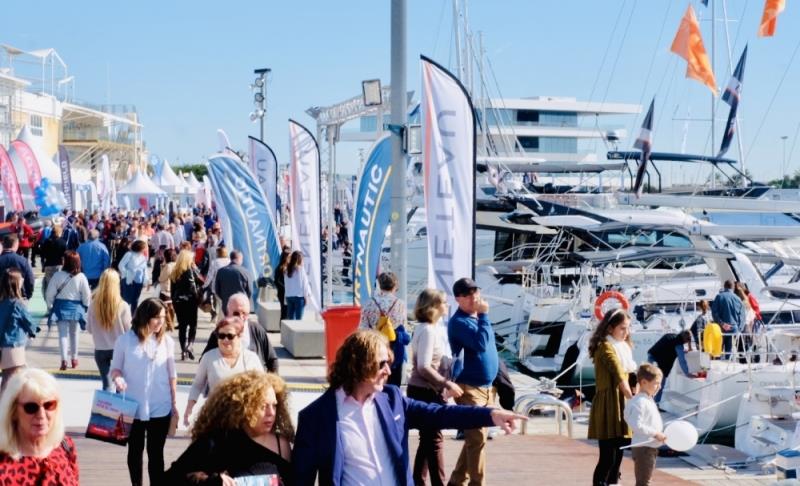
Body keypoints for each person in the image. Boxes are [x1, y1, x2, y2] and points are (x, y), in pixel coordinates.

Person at [292, 330, 526, 485]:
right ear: (358, 364)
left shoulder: (392, 399)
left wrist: (491, 414)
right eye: (381, 364)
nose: (388, 370)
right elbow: (300, 481)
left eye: (389, 363)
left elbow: (441, 415)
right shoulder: (316, 417)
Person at [168, 371, 294, 485]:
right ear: (243, 407)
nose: (271, 413)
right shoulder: (217, 441)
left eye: (274, 405)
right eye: (262, 406)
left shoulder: (281, 444)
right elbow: (171, 478)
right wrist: (210, 481)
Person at [110, 298, 178, 486]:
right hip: (133, 406)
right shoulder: (124, 341)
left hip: (160, 406)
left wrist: (174, 404)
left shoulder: (167, 342)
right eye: (157, 317)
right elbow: (115, 369)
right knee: (135, 451)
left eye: (163, 318)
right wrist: (118, 378)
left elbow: (172, 375)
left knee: (156, 454)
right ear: (145, 316)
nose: (160, 322)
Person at [447, 277, 498, 486]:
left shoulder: (477, 319)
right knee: (477, 439)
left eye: (475, 291)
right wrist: (485, 314)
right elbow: (481, 343)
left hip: (486, 388)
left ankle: (457, 481)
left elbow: (491, 348)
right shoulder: (459, 322)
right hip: (469, 388)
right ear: (458, 299)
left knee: (475, 440)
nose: (473, 297)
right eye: (468, 294)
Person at [408, 289, 463, 486]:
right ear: (434, 306)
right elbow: (423, 366)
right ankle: (437, 482)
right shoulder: (429, 330)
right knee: (434, 440)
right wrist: (445, 382)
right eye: (444, 303)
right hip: (426, 391)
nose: (447, 306)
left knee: (428, 439)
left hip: (425, 389)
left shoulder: (426, 328)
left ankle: (418, 481)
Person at [0, 368, 79, 485]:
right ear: (13, 412)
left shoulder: (65, 446)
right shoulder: (3, 464)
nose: (41, 415)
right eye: (31, 407)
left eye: (49, 405)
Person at [183, 317, 264, 426]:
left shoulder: (251, 358)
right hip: (215, 417)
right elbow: (197, 384)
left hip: (245, 419)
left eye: (230, 336)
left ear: (240, 336)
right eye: (221, 336)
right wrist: (189, 408)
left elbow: (263, 387)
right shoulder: (208, 357)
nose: (225, 340)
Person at [587, 309, 634, 486]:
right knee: (607, 457)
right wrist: (634, 399)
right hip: (609, 404)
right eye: (622, 328)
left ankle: (614, 482)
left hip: (620, 402)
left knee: (619, 454)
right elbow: (619, 374)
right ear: (610, 328)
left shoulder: (623, 348)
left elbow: (630, 374)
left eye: (628, 328)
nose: (626, 332)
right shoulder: (605, 347)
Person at [202, 292, 279, 373]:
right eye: (236, 313)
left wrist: (273, 382)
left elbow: (272, 360)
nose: (240, 317)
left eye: (244, 313)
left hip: (256, 382)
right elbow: (204, 361)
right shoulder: (219, 333)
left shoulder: (257, 330)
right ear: (228, 312)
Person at [359, 272, 410, 386]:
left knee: (375, 383)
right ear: (395, 285)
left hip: (375, 348)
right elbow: (403, 328)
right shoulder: (400, 304)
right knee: (393, 387)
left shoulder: (369, 303)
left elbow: (362, 329)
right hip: (394, 349)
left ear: (379, 284)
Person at [85, 269, 132, 391]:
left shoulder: (93, 305)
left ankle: (106, 409)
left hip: (100, 349)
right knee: (120, 384)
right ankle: (119, 409)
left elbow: (89, 329)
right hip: (120, 349)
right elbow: (129, 331)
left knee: (106, 385)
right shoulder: (123, 306)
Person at [45, 251, 91, 371]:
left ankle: (64, 360)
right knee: (75, 334)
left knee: (62, 335)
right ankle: (74, 359)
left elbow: (49, 293)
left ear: (65, 261)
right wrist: (85, 306)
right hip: (76, 308)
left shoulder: (57, 276)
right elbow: (87, 295)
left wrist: (50, 306)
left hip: (61, 306)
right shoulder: (81, 277)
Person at [623, 364, 666, 486]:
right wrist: (655, 433)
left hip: (649, 447)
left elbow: (628, 415)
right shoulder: (640, 402)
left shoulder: (646, 399)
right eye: (656, 383)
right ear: (644, 382)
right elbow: (636, 424)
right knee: (643, 482)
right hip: (644, 448)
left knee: (645, 480)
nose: (659, 387)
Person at [0, 269, 37, 393]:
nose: (23, 280)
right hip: (13, 345)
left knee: (9, 376)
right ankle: (5, 407)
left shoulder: (2, 302)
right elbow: (29, 322)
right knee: (12, 377)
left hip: (3, 345)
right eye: (21, 279)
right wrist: (33, 331)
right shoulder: (17, 304)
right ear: (15, 283)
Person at [171, 249, 203, 361]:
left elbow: (172, 290)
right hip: (190, 301)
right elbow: (199, 283)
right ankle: (190, 345)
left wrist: (174, 302)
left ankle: (183, 350)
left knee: (182, 326)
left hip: (178, 301)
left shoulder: (175, 271)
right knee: (193, 325)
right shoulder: (190, 270)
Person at [647, 331, 693, 403]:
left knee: (649, 383)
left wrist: (683, 350)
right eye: (688, 340)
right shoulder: (678, 344)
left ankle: (649, 403)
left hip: (652, 356)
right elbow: (682, 360)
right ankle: (655, 404)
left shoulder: (671, 335)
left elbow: (668, 347)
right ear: (685, 339)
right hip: (659, 363)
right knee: (659, 385)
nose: (686, 343)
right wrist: (687, 373)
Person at [711, 280, 745, 359]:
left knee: (718, 351)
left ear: (724, 286)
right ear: (733, 287)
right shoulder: (738, 299)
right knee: (729, 352)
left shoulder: (719, 297)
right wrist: (739, 329)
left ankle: (718, 367)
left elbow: (714, 313)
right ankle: (728, 366)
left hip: (721, 328)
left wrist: (722, 324)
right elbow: (742, 317)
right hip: (734, 328)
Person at [213, 250, 253, 316]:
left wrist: (225, 298)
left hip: (227, 304)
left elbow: (217, 290)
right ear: (239, 258)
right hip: (241, 305)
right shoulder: (245, 272)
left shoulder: (221, 271)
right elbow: (250, 290)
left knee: (229, 324)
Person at [118, 239, 150, 314]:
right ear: (140, 247)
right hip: (129, 281)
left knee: (135, 301)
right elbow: (121, 265)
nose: (145, 249)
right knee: (126, 300)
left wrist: (147, 281)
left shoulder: (143, 257)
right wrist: (127, 274)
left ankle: (133, 318)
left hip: (139, 281)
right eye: (144, 247)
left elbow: (145, 270)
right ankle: (122, 315)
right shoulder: (129, 254)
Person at [0, 235, 35, 300]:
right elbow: (30, 280)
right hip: (19, 295)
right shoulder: (23, 261)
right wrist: (28, 295)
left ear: (3, 245)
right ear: (15, 245)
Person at [40, 225, 67, 300]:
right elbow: (64, 256)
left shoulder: (46, 241)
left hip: (48, 265)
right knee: (59, 286)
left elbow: (42, 255)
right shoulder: (62, 242)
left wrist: (43, 266)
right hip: (59, 265)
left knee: (49, 286)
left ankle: (49, 305)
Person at [203, 246, 230, 319]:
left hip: (217, 285)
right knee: (225, 302)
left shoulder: (215, 262)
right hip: (228, 285)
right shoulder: (229, 261)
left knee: (218, 302)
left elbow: (210, 275)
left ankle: (218, 318)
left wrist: (205, 285)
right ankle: (224, 317)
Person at [283, 251, 309, 320]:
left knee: (291, 319)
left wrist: (286, 295)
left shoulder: (286, 270)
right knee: (299, 320)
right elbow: (305, 284)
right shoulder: (300, 270)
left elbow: (286, 284)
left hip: (289, 296)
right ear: (300, 259)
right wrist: (306, 297)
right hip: (299, 297)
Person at [158, 248, 178, 331]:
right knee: (171, 307)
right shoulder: (177, 264)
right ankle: (172, 323)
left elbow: (161, 278)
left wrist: (162, 269)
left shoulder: (168, 266)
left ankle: (170, 325)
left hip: (166, 289)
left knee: (166, 308)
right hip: (174, 289)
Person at [274, 247, 291, 320]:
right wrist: (286, 288)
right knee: (284, 312)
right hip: (283, 293)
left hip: (287, 293)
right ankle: (283, 329)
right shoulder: (280, 268)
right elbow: (277, 281)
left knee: (286, 312)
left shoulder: (288, 267)